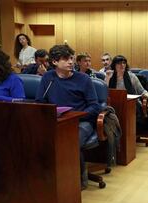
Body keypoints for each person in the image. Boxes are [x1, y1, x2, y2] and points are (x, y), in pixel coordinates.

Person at [35, 44, 101, 189]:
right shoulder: (48, 78)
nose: (71, 62)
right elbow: (40, 102)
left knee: (71, 142)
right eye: (65, 59)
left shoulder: (84, 79)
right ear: (54, 62)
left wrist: (77, 116)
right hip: (57, 120)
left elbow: (95, 106)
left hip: (81, 121)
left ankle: (79, 180)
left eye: (71, 58)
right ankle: (48, 178)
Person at [105, 55, 148, 128]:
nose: (122, 65)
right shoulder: (110, 77)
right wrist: (108, 79)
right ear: (114, 65)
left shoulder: (132, 77)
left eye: (124, 63)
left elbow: (142, 91)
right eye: (119, 63)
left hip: (132, 104)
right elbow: (105, 93)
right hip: (115, 104)